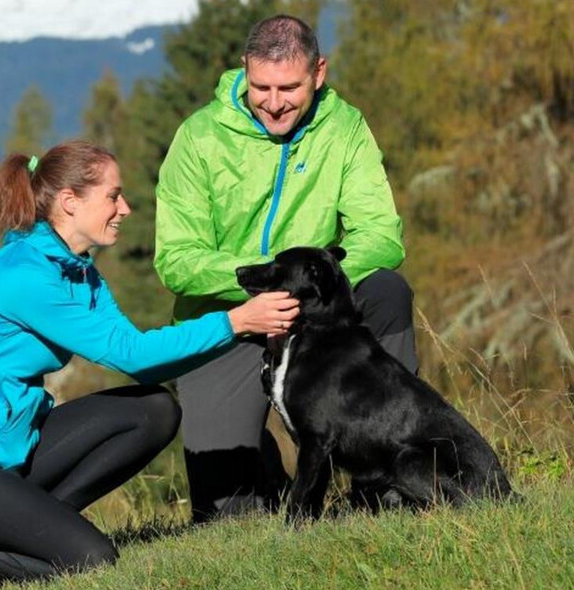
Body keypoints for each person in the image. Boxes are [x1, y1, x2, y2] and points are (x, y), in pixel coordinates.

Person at [0, 140, 297, 590]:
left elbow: (144, 367)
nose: (126, 208)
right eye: (113, 196)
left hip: (18, 449)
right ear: (70, 202)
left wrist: (241, 330)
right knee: (94, 562)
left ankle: (37, 529)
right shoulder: (23, 275)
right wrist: (235, 321)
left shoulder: (78, 271)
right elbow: (129, 352)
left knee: (154, 409)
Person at [154, 15, 417, 523]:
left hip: (317, 316)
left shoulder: (344, 129)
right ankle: (267, 469)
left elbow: (381, 235)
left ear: (318, 73)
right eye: (261, 87)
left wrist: (308, 290)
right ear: (244, 73)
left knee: (387, 290)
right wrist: (261, 295)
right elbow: (177, 260)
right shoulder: (199, 138)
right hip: (228, 319)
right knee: (229, 517)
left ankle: (386, 479)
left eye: (289, 87)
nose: (274, 102)